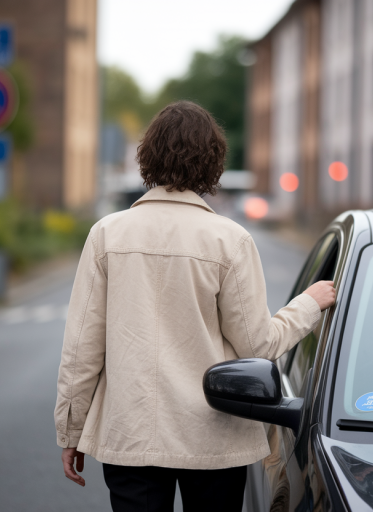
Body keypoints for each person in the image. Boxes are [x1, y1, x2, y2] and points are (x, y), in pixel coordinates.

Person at [54, 100, 336, 512]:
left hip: (131, 435)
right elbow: (257, 347)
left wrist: (71, 431)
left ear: (146, 157)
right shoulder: (230, 241)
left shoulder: (106, 235)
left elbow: (81, 350)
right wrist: (307, 306)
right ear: (212, 163)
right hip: (213, 436)